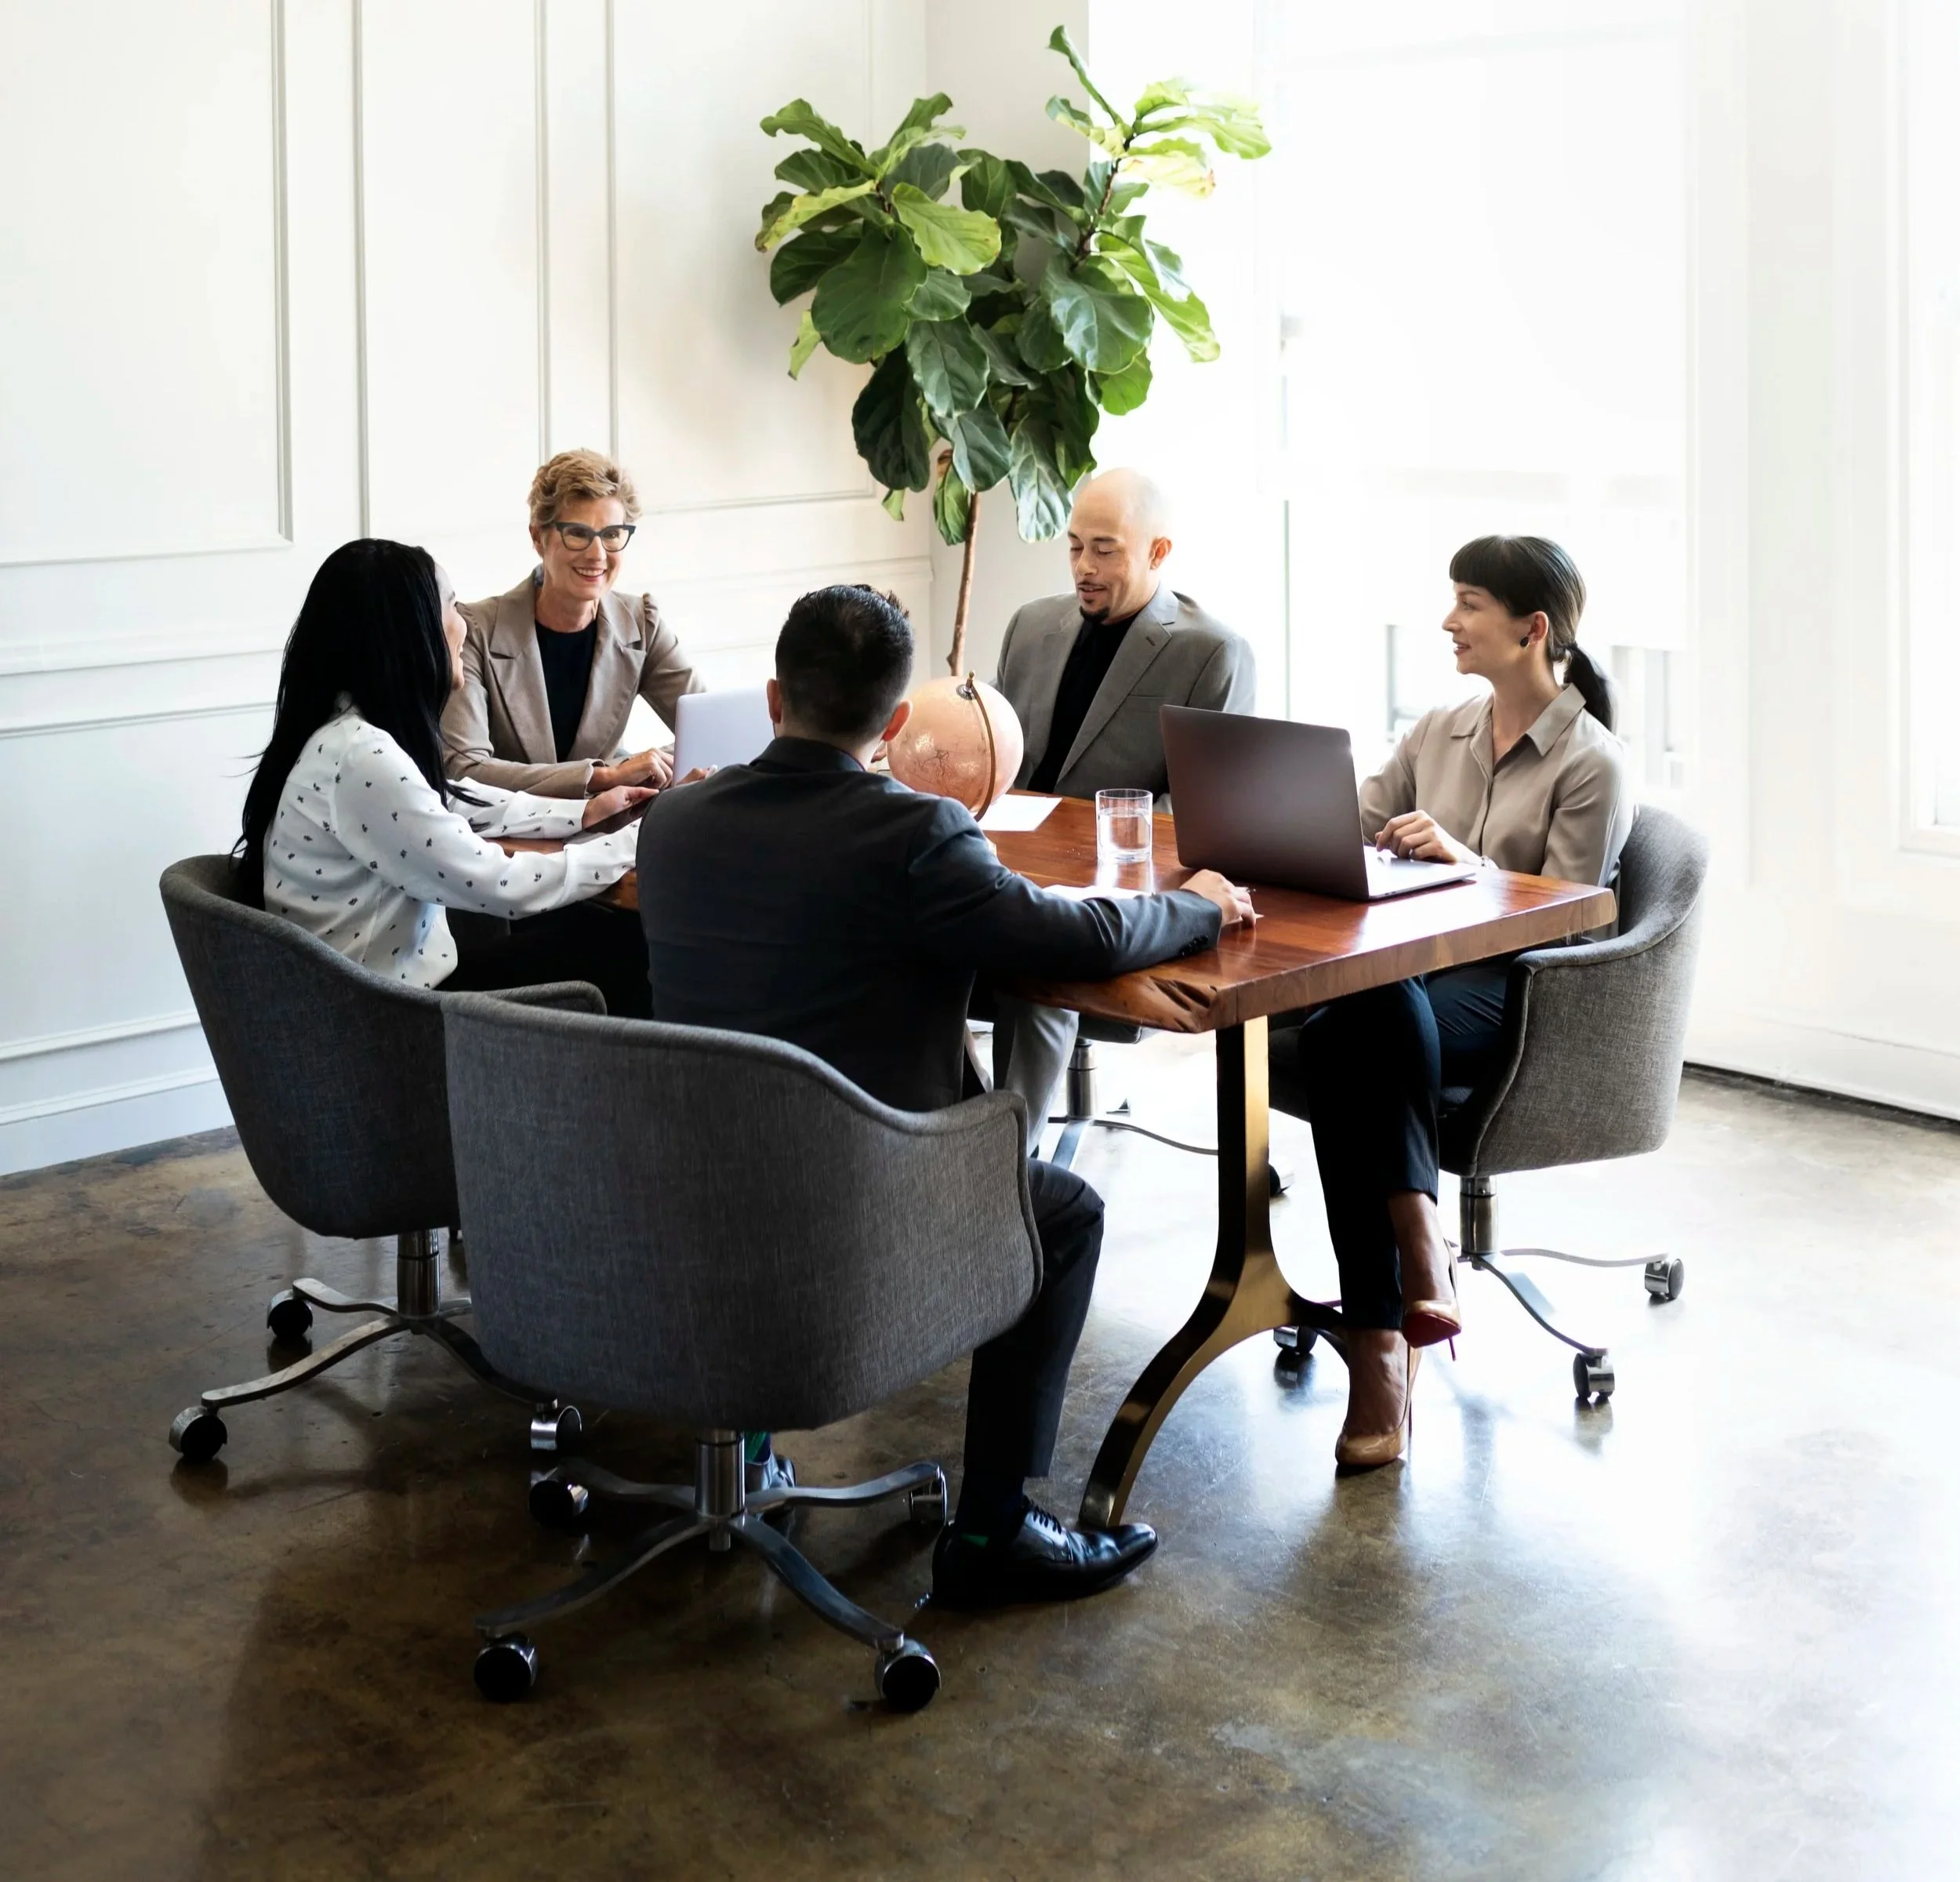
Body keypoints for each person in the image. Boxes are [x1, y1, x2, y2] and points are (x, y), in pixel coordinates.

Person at [636, 584, 1258, 1609]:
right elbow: (1083, 939)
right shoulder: (916, 835)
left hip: (685, 1185)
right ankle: (994, 1531)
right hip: (854, 1201)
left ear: (774, 695)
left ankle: (746, 1443)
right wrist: (1190, 908)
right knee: (1061, 1212)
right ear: (893, 725)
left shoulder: (678, 821)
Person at [1268, 535, 1632, 1472]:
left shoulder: (1592, 763)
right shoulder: (1438, 730)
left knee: (1355, 1017)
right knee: (1362, 1011)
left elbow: (1572, 922)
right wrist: (1268, 827)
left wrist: (1466, 866)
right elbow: (1341, 827)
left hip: (1515, 994)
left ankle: (1380, 1342)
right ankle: (1413, 1258)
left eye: (1468, 603)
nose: (1448, 621)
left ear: (1531, 630)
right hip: (1403, 991)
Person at [240, 539, 657, 1016]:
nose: (465, 623)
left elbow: (455, 801)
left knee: (598, 935)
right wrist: (636, 842)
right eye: (453, 604)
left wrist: (586, 813)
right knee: (624, 941)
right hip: (390, 1017)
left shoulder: (344, 732)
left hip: (368, 996)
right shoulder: (361, 758)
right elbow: (501, 884)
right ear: (411, 631)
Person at [989, 468, 1257, 1146]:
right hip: (1000, 863)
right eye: (1075, 546)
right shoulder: (1031, 625)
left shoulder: (1211, 652)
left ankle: (1005, 1170)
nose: (1084, 567)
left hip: (1114, 887)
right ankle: (933, 1140)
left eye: (1105, 549)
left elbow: (1203, 812)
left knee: (1039, 961)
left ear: (1158, 553)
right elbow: (992, 756)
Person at [441, 448, 702, 798]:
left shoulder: (643, 622)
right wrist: (604, 777)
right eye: (578, 533)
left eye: (612, 534)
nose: (597, 554)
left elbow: (710, 732)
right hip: (514, 841)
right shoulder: (476, 630)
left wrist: (645, 767)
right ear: (538, 538)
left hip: (612, 834)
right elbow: (464, 769)